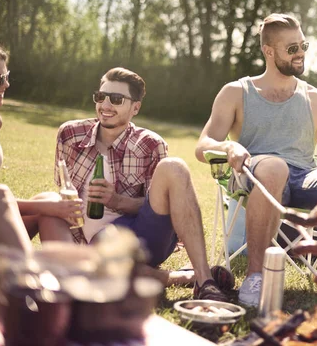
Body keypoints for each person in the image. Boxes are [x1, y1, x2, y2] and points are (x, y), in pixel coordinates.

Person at [195, 13, 317, 335]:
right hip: (256, 175)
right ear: (269, 51)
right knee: (274, 165)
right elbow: (202, 144)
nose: (300, 53)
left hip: (305, 177)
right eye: (292, 48)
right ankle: (257, 277)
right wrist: (229, 148)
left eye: (303, 45)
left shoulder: (316, 98)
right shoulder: (237, 91)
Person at [39, 67, 229, 301]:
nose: (105, 105)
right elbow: (63, 187)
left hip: (136, 236)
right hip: (87, 243)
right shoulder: (70, 135)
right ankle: (181, 277)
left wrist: (116, 201)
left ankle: (203, 280)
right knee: (87, 257)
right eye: (101, 97)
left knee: (175, 167)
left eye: (116, 99)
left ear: (135, 107)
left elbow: (158, 208)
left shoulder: (150, 144)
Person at [0, 43, 83, 239]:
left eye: (6, 76)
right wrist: (50, 208)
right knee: (48, 205)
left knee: (50, 199)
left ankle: (62, 269)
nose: (7, 84)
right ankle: (33, 268)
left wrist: (52, 206)